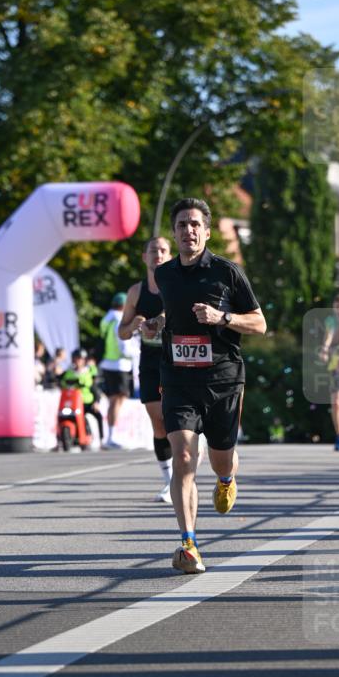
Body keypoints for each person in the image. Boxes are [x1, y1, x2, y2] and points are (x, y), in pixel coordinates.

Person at [141, 197, 266, 574]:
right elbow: (173, 313)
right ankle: (189, 544)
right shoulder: (164, 275)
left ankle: (227, 478)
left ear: (207, 232)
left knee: (220, 457)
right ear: (175, 232)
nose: (188, 230)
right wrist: (158, 323)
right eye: (181, 225)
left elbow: (259, 323)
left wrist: (222, 317)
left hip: (224, 378)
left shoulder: (228, 272)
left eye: (195, 224)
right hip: (178, 378)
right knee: (183, 457)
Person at [118, 236, 175, 502]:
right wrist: (134, 325)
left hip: (178, 360)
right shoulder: (135, 292)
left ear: (170, 255)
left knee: (175, 419)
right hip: (150, 361)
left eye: (164, 250)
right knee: (158, 422)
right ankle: (169, 480)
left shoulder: (177, 286)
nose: (158, 255)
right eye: (153, 250)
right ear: (145, 257)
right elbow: (122, 332)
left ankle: (182, 473)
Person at [99, 292, 138, 448]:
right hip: (119, 364)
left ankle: (110, 435)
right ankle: (111, 437)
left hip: (108, 363)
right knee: (117, 400)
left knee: (113, 401)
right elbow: (123, 344)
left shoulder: (106, 318)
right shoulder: (118, 319)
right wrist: (136, 353)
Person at [318, 293, 339, 451]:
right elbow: (328, 337)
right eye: (337, 307)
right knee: (336, 402)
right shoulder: (331, 321)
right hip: (336, 363)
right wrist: (324, 349)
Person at [60, 348, 104, 443]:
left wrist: (96, 401)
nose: (78, 361)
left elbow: (94, 388)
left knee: (98, 416)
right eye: (76, 358)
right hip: (73, 403)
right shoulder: (69, 372)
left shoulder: (88, 372)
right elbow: (62, 381)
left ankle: (101, 439)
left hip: (87, 402)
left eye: (80, 358)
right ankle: (60, 438)